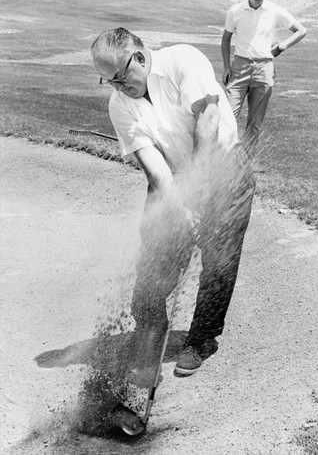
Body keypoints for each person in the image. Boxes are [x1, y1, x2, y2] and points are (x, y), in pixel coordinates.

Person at [90, 28, 255, 382]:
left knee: (218, 256)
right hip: (175, 176)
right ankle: (151, 332)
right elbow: (155, 169)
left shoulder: (183, 60)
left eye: (120, 77)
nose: (118, 86)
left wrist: (197, 189)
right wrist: (179, 206)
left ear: (138, 56)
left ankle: (200, 339)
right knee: (154, 252)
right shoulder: (119, 105)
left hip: (224, 165)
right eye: (109, 81)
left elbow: (208, 124)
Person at [221, 0, 307, 158]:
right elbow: (226, 39)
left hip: (264, 69)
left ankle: (245, 165)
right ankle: (224, 160)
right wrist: (227, 67)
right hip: (240, 67)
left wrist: (282, 46)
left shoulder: (275, 10)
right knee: (227, 117)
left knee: (255, 121)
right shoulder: (235, 11)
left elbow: (301, 31)